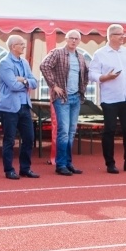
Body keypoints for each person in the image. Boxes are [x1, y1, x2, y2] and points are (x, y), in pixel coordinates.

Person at [89, 24, 126, 173]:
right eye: (120, 34)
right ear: (111, 36)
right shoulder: (100, 54)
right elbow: (91, 74)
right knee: (110, 130)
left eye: (123, 34)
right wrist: (105, 77)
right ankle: (110, 163)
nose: (123, 36)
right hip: (110, 98)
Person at [40, 30, 90, 176]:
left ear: (79, 41)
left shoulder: (81, 57)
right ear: (66, 39)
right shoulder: (57, 53)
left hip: (76, 98)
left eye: (76, 39)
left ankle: (68, 163)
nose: (74, 41)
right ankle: (61, 164)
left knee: (71, 132)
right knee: (64, 132)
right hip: (62, 98)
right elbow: (44, 66)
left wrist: (82, 89)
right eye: (71, 38)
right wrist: (54, 85)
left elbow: (86, 74)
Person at [0, 34, 40, 180]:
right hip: (9, 108)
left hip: (25, 105)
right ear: (13, 46)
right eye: (21, 44)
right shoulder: (5, 63)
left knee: (29, 138)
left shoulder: (25, 62)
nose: (24, 46)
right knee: (9, 139)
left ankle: (25, 168)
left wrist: (24, 80)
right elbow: (13, 85)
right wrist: (27, 83)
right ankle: (9, 170)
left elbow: (35, 82)